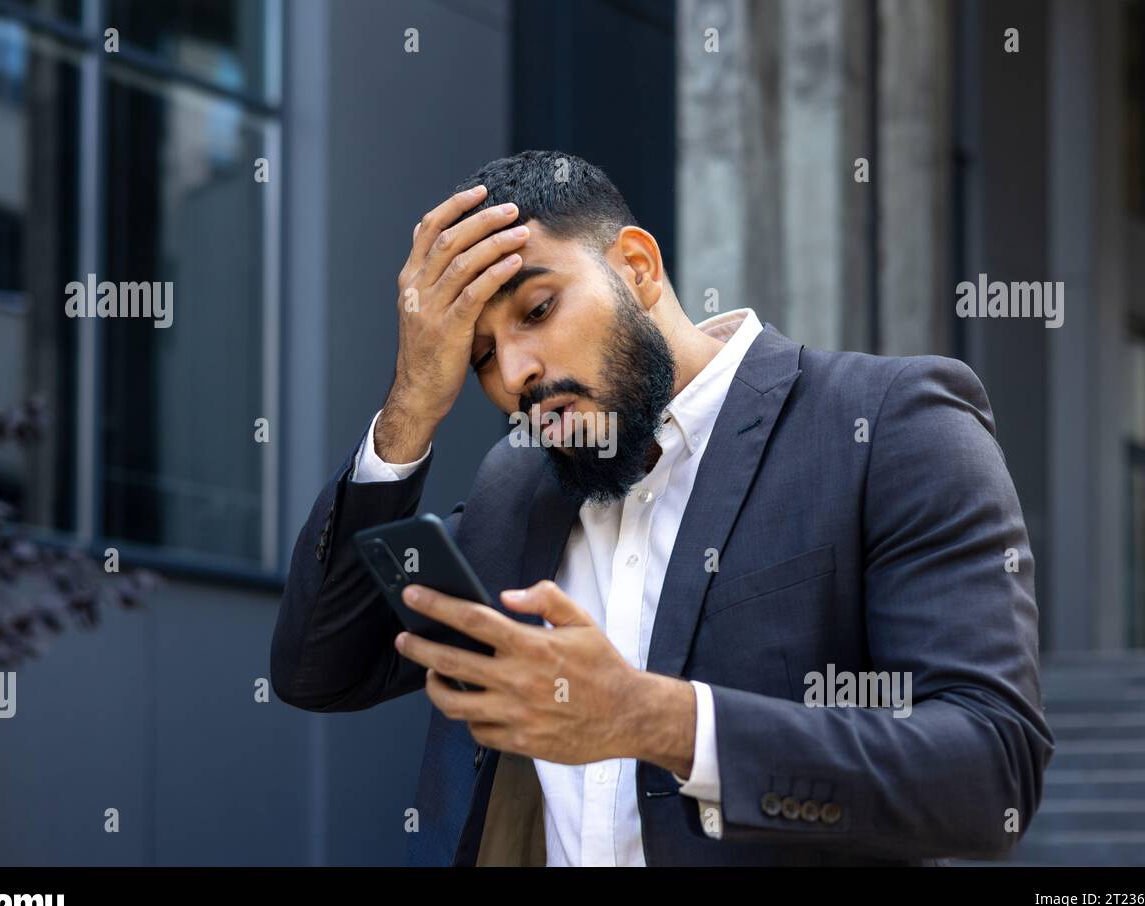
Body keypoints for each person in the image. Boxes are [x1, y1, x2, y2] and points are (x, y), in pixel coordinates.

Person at [270, 149, 1055, 866]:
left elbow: (991, 771)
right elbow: (320, 670)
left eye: (538, 309)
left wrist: (655, 720)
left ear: (637, 267)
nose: (514, 373)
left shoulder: (888, 424)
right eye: (479, 356)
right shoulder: (515, 489)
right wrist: (411, 401)